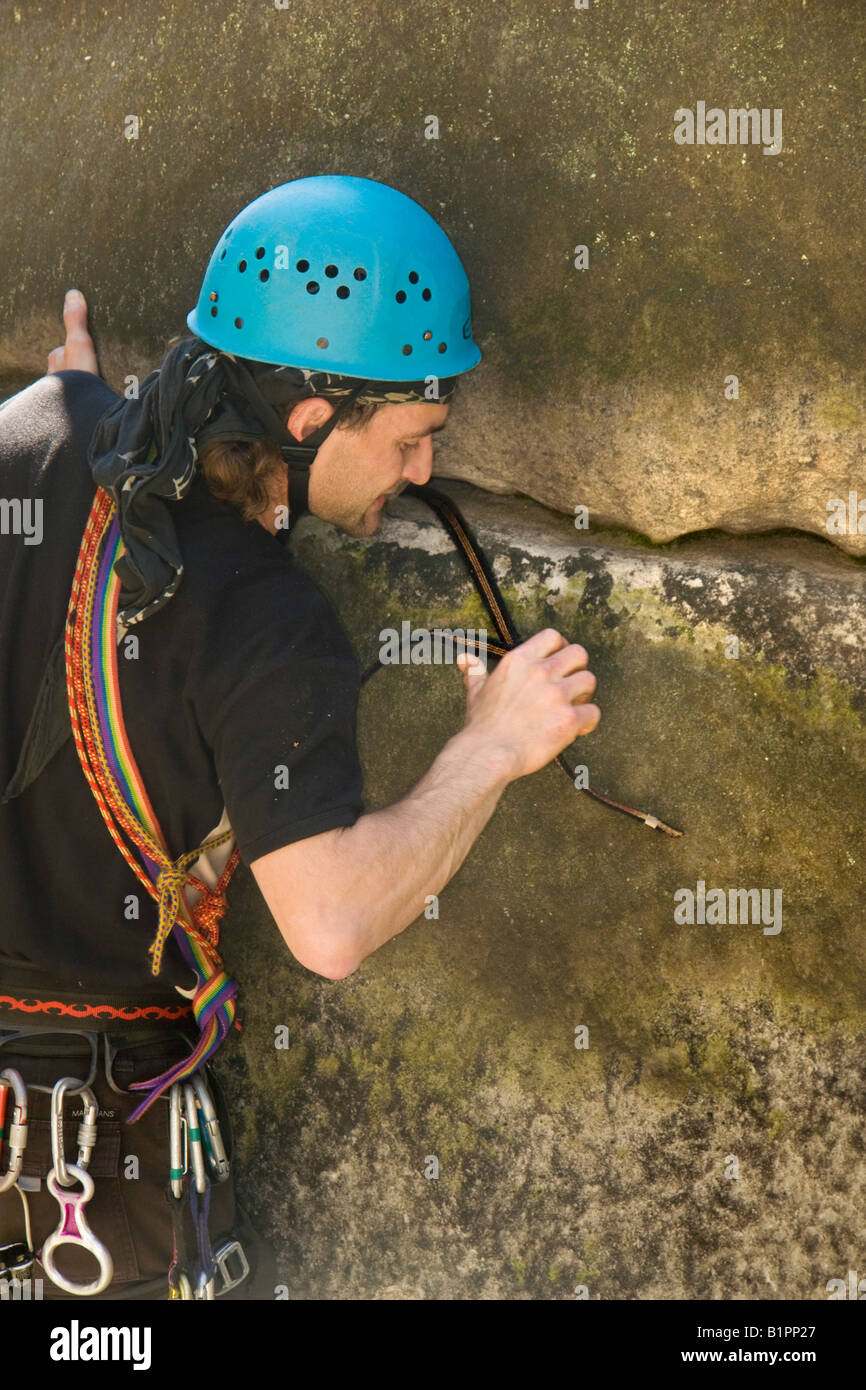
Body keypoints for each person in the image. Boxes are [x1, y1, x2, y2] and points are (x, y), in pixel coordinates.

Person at [0, 176, 599, 1300]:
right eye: (413, 437)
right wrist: (492, 745)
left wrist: (56, 417)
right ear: (310, 418)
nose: (424, 473)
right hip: (86, 1183)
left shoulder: (35, 431)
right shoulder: (271, 627)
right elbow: (328, 923)